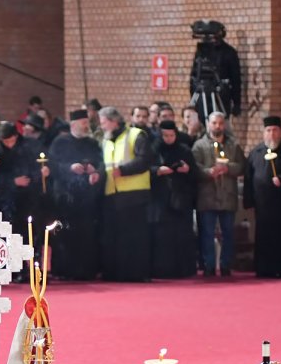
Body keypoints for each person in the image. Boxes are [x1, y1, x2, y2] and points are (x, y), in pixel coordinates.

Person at [47, 109, 104, 280]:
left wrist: (94, 170)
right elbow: (52, 165)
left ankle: (86, 270)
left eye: (87, 123)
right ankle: (63, 270)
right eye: (83, 123)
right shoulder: (60, 142)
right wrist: (69, 168)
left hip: (86, 196)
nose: (86, 126)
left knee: (86, 233)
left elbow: (100, 162)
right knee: (64, 233)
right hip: (65, 196)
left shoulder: (92, 143)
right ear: (73, 125)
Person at [98, 106, 152, 282]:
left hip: (134, 194)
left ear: (114, 121)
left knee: (134, 236)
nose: (102, 126)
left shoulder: (136, 135)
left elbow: (144, 160)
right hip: (112, 193)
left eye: (104, 123)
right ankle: (116, 272)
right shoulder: (106, 140)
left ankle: (136, 273)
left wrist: (123, 170)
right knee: (115, 236)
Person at [192, 111, 244, 276]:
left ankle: (226, 264)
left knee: (228, 233)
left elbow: (242, 166)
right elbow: (195, 168)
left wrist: (228, 168)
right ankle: (208, 265)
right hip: (207, 196)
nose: (217, 126)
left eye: (220, 123)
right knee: (207, 233)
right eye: (214, 123)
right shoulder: (199, 145)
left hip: (228, 195)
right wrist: (209, 172)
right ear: (208, 124)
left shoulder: (234, 145)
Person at [243, 115, 281, 278]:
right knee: (263, 236)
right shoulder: (256, 152)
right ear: (264, 132)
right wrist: (248, 201)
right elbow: (248, 178)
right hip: (262, 203)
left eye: (275, 130)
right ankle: (264, 268)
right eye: (268, 130)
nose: (272, 134)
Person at [148, 119, 197, 278]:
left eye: (171, 135)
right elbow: (145, 170)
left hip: (180, 199)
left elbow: (195, 173)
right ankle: (161, 270)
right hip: (159, 199)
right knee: (161, 237)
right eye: (165, 136)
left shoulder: (184, 150)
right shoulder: (153, 150)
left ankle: (183, 270)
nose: (169, 139)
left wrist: (187, 169)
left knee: (181, 236)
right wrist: (157, 171)